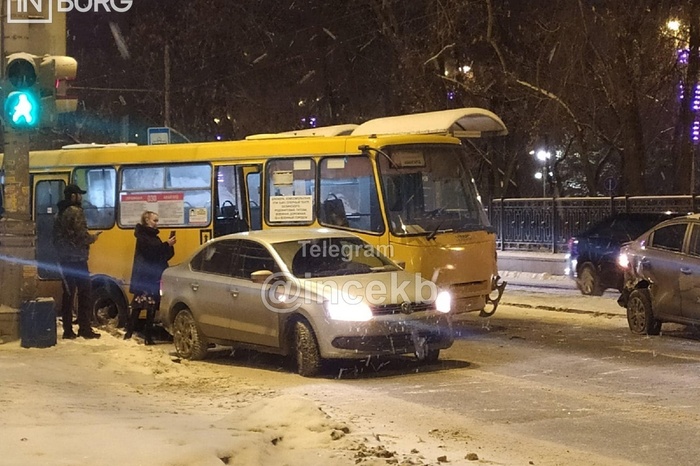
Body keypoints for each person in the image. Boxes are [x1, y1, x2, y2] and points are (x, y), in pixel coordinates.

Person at [53, 184, 102, 339]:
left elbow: (56, 237)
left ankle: (68, 330)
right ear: (73, 196)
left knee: (68, 294)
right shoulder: (76, 211)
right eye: (79, 194)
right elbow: (81, 235)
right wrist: (93, 237)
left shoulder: (59, 213)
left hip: (64, 259)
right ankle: (84, 328)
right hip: (78, 259)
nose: (81, 197)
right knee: (84, 293)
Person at [125, 210, 176, 345]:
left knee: (145, 306)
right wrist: (166, 245)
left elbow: (160, 253)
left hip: (149, 277)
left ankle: (135, 335)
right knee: (143, 306)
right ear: (147, 221)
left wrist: (169, 246)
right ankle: (134, 334)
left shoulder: (152, 236)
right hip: (145, 277)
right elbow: (152, 252)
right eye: (155, 220)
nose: (156, 223)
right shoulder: (143, 236)